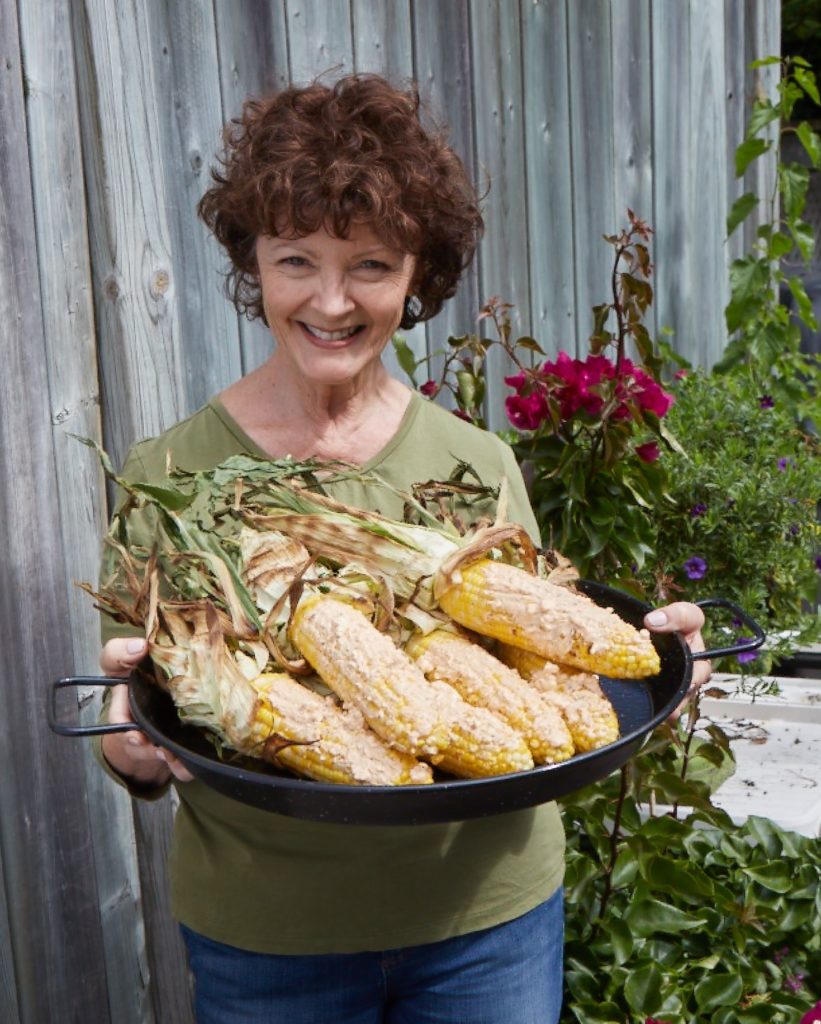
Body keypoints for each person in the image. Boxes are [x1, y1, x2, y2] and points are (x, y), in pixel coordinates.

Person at [97, 74, 711, 1024]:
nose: (331, 302)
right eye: (296, 260)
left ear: (418, 274)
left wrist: (654, 664)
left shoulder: (475, 463)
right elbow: (144, 710)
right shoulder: (169, 474)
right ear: (252, 264)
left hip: (486, 924)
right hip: (268, 938)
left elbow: (540, 668)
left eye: (372, 267)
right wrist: (128, 743)